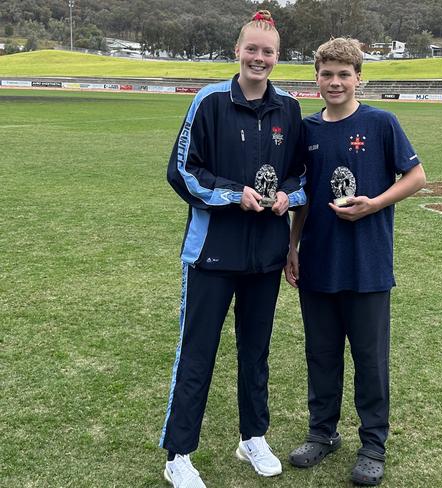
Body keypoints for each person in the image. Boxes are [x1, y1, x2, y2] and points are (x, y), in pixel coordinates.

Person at [160, 10, 306, 487]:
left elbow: (301, 175)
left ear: (277, 58)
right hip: (211, 256)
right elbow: (181, 170)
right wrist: (230, 193)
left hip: (265, 256)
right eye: (251, 49)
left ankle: (253, 437)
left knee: (256, 352)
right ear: (237, 51)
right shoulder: (209, 101)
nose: (258, 58)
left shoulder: (288, 108)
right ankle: (178, 454)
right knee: (197, 354)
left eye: (268, 52)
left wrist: (288, 195)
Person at [284, 37, 426, 486]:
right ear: (316, 78)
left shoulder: (382, 122)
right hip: (318, 263)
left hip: (367, 265)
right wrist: (292, 245)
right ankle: (322, 434)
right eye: (327, 74)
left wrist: (375, 203)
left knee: (369, 360)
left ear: (359, 78)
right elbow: (304, 196)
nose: (335, 82)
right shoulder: (307, 130)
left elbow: (417, 177)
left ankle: (372, 445)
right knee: (321, 356)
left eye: (344, 74)